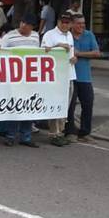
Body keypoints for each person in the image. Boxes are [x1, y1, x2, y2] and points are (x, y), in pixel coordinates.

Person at [0, 14, 41, 147]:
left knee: (29, 106)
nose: (24, 26)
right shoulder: (10, 36)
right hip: (15, 77)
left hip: (31, 77)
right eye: (23, 22)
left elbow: (40, 54)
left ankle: (26, 137)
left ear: (32, 27)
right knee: (15, 105)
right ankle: (10, 135)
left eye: (28, 24)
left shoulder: (36, 36)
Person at [41, 12, 77, 146]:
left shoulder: (70, 35)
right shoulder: (49, 35)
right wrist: (58, 47)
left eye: (67, 22)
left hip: (69, 74)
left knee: (64, 106)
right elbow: (43, 52)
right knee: (55, 104)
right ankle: (53, 133)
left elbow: (71, 54)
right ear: (58, 22)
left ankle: (60, 132)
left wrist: (74, 58)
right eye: (63, 22)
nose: (65, 24)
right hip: (55, 76)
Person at [66, 13, 100, 143]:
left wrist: (79, 54)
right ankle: (70, 131)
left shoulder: (89, 35)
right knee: (70, 105)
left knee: (88, 104)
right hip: (70, 76)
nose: (82, 26)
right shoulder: (67, 36)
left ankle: (85, 132)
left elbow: (96, 52)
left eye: (83, 23)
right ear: (72, 24)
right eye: (79, 23)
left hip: (85, 77)